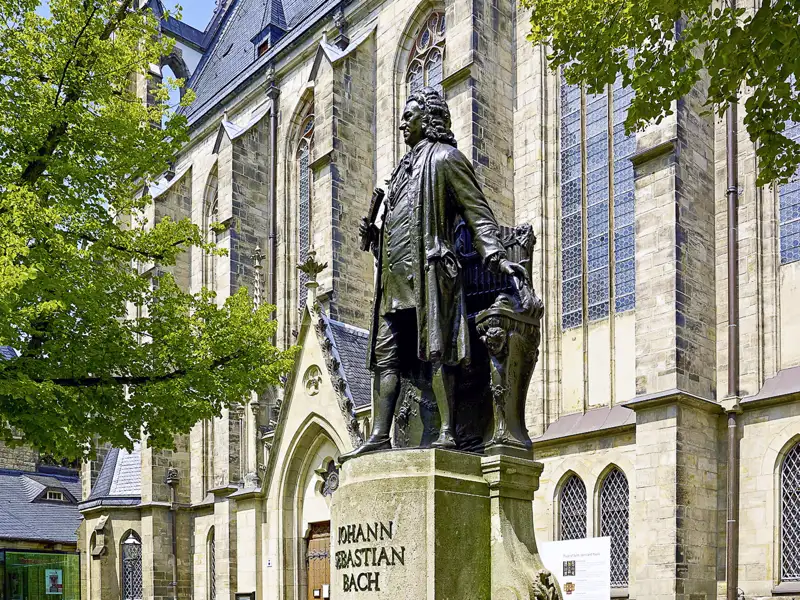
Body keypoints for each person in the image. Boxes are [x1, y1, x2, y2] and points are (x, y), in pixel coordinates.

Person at [341, 87, 528, 460]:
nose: (400, 124)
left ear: (427, 120)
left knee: (438, 351)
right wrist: (376, 237)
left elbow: (478, 215)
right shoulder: (398, 175)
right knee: (386, 356)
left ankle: (447, 432)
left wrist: (497, 256)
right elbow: (396, 229)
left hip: (431, 277)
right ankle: (380, 434)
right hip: (394, 284)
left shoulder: (446, 159)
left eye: (407, 117)